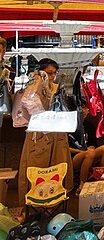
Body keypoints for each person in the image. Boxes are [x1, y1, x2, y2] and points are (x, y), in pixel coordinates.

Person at [18, 58, 74, 205]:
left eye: (54, 73)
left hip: (53, 133)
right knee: (39, 173)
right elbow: (29, 103)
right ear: (40, 71)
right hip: (40, 135)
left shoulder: (51, 86)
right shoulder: (35, 84)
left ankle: (53, 205)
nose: (52, 76)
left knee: (56, 171)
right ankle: (36, 206)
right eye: (49, 73)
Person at [68, 106, 104, 195]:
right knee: (89, 153)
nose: (84, 111)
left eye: (86, 109)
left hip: (88, 154)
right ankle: (82, 185)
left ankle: (103, 180)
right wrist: (81, 151)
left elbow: (93, 144)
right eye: (82, 108)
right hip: (73, 157)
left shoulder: (89, 125)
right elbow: (65, 148)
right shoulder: (69, 126)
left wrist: (91, 147)